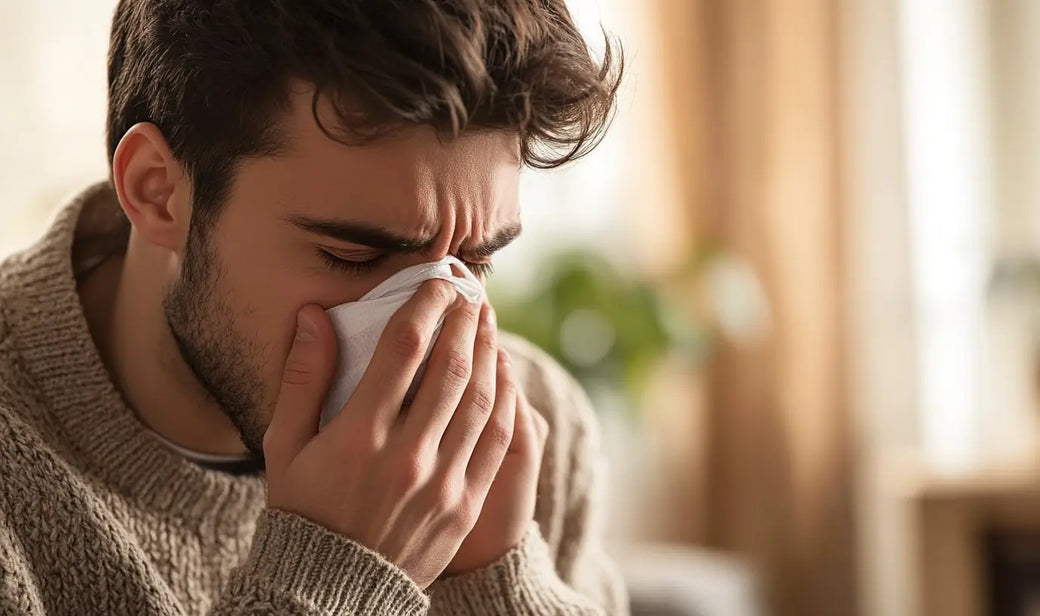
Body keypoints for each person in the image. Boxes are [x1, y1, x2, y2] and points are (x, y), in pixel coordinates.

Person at [0, 1, 626, 614]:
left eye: (473, 262)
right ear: (158, 192)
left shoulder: (531, 435)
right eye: (353, 256)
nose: (423, 333)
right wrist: (335, 578)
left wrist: (496, 588)